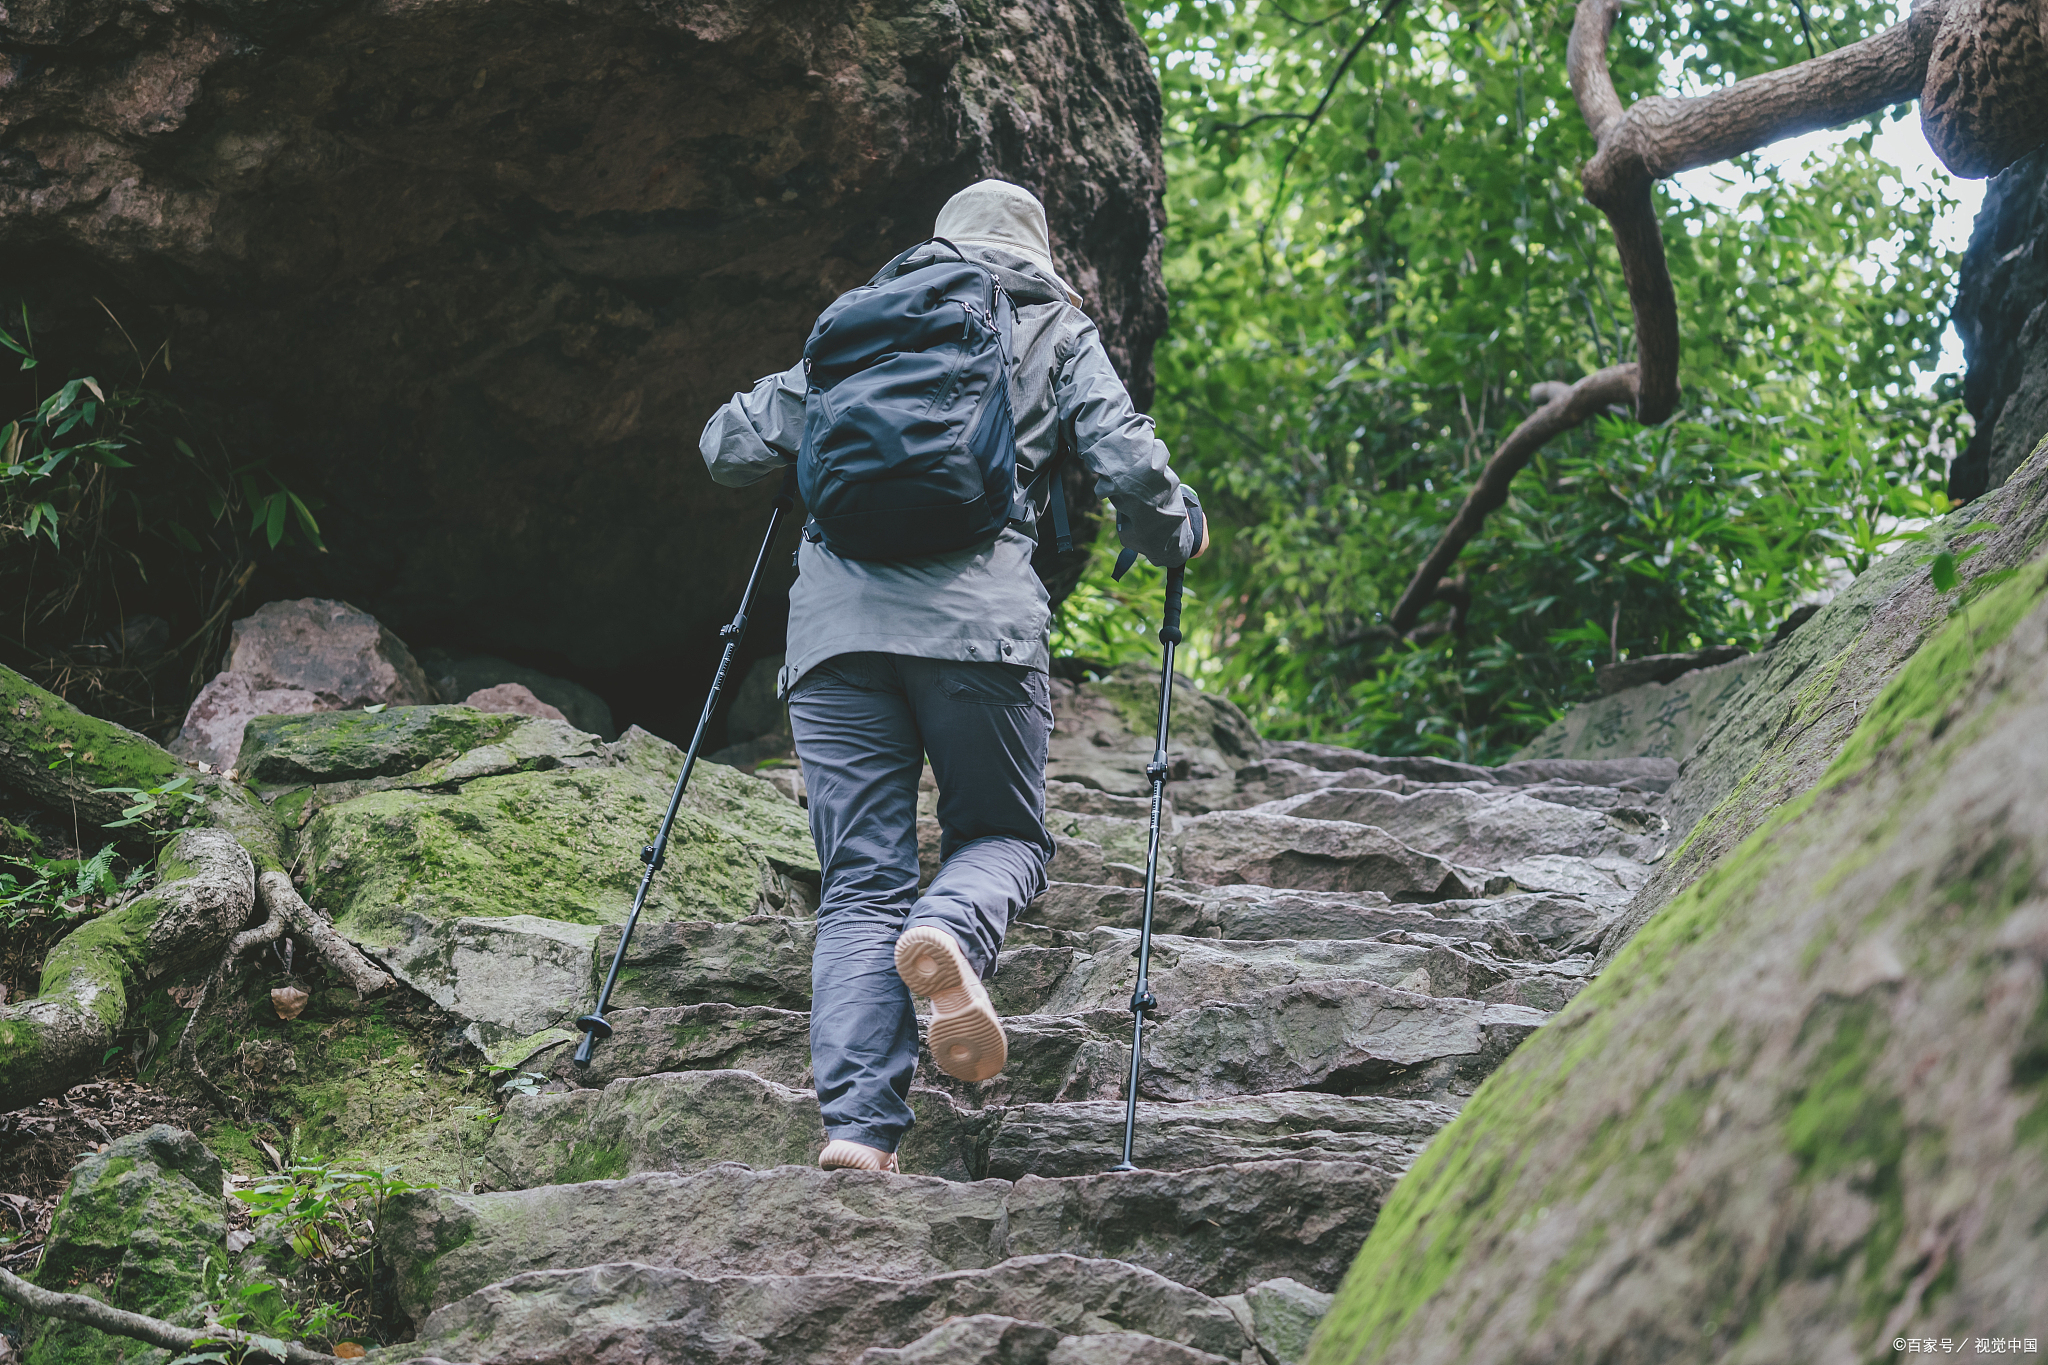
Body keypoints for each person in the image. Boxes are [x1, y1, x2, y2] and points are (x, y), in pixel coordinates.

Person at [699, 178, 1208, 1173]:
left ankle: (856, 1131)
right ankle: (946, 927)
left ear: (935, 245)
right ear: (1038, 251)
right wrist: (1176, 529)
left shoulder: (861, 326)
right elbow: (1125, 465)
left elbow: (726, 448)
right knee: (1004, 836)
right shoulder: (1054, 327)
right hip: (979, 630)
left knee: (858, 881)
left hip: (837, 637)